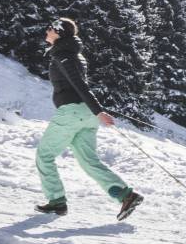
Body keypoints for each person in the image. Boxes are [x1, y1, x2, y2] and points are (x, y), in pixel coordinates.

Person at [33, 17, 143, 220]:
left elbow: (79, 85)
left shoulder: (63, 55)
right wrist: (95, 112)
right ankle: (125, 195)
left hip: (72, 112)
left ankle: (56, 201)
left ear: (59, 32)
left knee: (44, 156)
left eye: (50, 28)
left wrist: (99, 111)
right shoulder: (73, 54)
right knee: (88, 161)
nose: (47, 31)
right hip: (85, 115)